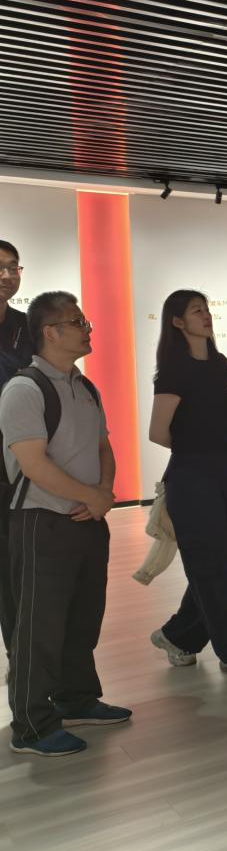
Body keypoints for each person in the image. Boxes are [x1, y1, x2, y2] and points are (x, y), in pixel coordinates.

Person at [2, 291, 128, 757]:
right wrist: (91, 496)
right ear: (50, 332)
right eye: (77, 322)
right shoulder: (24, 389)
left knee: (82, 617)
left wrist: (104, 493)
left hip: (88, 520)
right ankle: (31, 726)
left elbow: (103, 447)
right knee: (39, 627)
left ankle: (76, 699)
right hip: (43, 522)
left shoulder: (84, 386)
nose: (87, 328)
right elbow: (33, 464)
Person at [146, 290, 227, 676]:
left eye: (207, 309)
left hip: (226, 466)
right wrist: (196, 449)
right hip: (192, 473)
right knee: (209, 563)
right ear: (178, 322)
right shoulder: (173, 371)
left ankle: (178, 635)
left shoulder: (220, 364)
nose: (206, 315)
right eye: (197, 311)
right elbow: (158, 431)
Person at [0, 239, 33, 658]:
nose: (8, 276)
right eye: (0, 268)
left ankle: (29, 661)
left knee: (25, 564)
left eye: (14, 267)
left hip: (26, 456)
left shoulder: (27, 326)